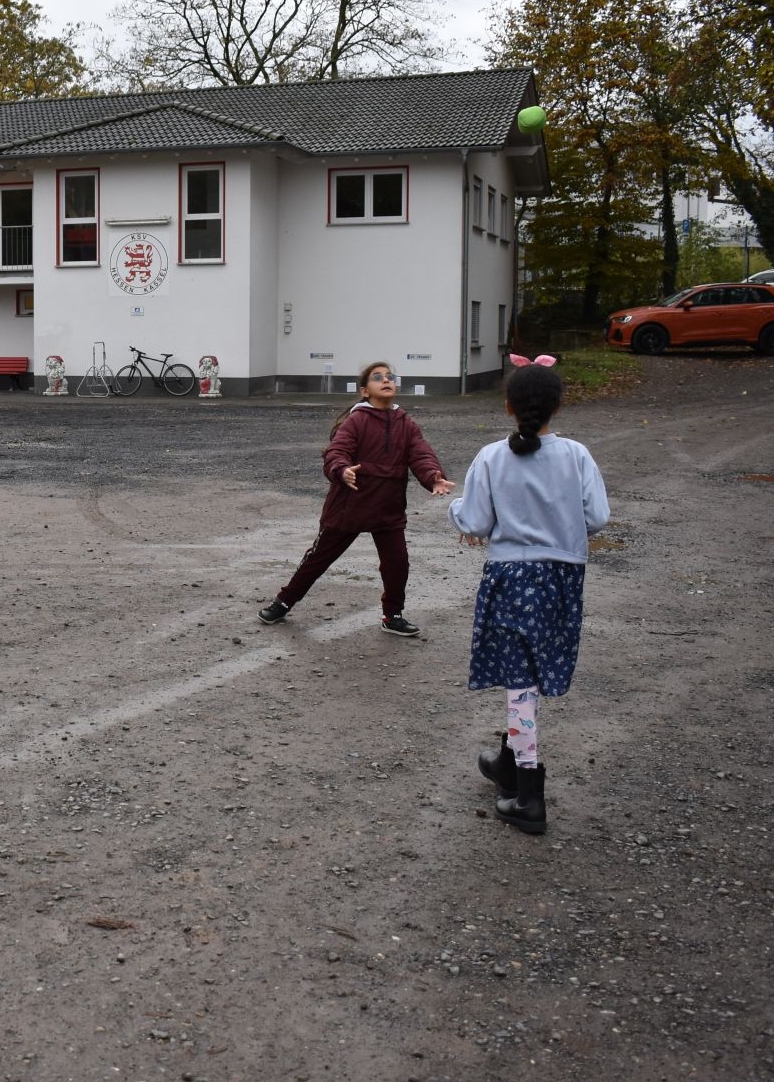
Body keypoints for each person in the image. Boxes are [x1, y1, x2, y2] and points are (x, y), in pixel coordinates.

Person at [449, 355, 610, 836]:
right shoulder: (577, 455)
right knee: (535, 675)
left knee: (519, 685)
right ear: (558, 406)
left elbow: (475, 521)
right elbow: (597, 517)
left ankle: (528, 795)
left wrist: (456, 508)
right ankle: (507, 763)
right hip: (562, 579)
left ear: (508, 406)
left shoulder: (491, 457)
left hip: (510, 579)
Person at [259, 361, 454, 635]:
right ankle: (283, 602)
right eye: (378, 377)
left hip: (387, 508)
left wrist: (433, 477)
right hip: (349, 506)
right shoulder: (357, 420)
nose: (386, 380)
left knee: (397, 563)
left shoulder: (406, 423)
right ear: (364, 390)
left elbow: (421, 454)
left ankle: (392, 616)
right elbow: (336, 452)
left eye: (390, 377)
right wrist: (342, 470)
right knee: (318, 559)